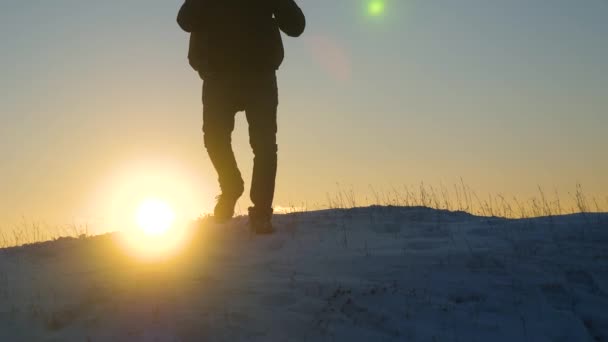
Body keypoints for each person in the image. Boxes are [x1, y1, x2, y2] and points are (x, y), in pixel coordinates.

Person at [177, 0, 305, 234]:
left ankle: (261, 211)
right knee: (215, 140)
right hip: (218, 76)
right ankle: (231, 186)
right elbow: (185, 20)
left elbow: (296, 26)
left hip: (259, 75)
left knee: (264, 145)